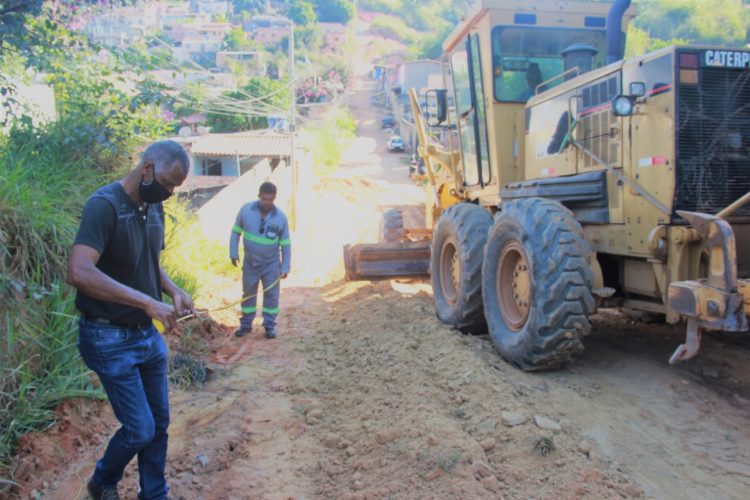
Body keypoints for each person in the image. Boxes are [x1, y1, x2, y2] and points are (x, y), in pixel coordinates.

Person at [66, 140, 194, 500]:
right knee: (140, 429)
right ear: (147, 168)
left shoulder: (154, 208)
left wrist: (173, 290)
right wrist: (148, 302)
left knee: (159, 423)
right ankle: (102, 481)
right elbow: (79, 271)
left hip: (145, 334)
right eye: (167, 184)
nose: (169, 193)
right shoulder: (104, 206)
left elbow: (148, 262)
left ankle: (154, 493)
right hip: (107, 336)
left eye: (174, 188)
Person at [230, 181, 291, 339]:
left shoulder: (281, 218)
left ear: (274, 198)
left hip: (271, 265)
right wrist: (233, 252)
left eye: (270, 199)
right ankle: (246, 325)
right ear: (259, 196)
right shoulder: (246, 210)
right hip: (250, 263)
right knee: (248, 294)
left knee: (271, 295)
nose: (266, 202)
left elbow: (285, 244)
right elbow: (236, 232)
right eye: (264, 199)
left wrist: (285, 266)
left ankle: (269, 326)